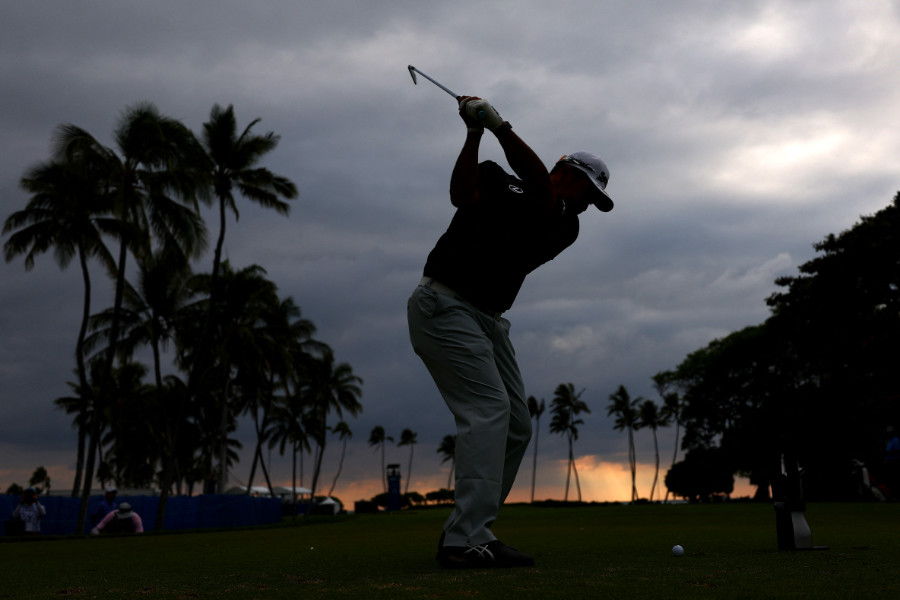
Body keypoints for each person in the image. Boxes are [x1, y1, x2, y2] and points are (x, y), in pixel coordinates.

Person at [407, 96, 614, 568]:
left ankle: (475, 530)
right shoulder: (498, 179)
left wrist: (501, 126)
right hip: (443, 303)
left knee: (517, 425)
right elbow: (461, 196)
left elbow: (541, 191)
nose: (588, 205)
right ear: (569, 173)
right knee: (488, 410)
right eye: (588, 192)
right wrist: (475, 133)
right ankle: (464, 540)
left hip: (486, 319)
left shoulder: (565, 223)